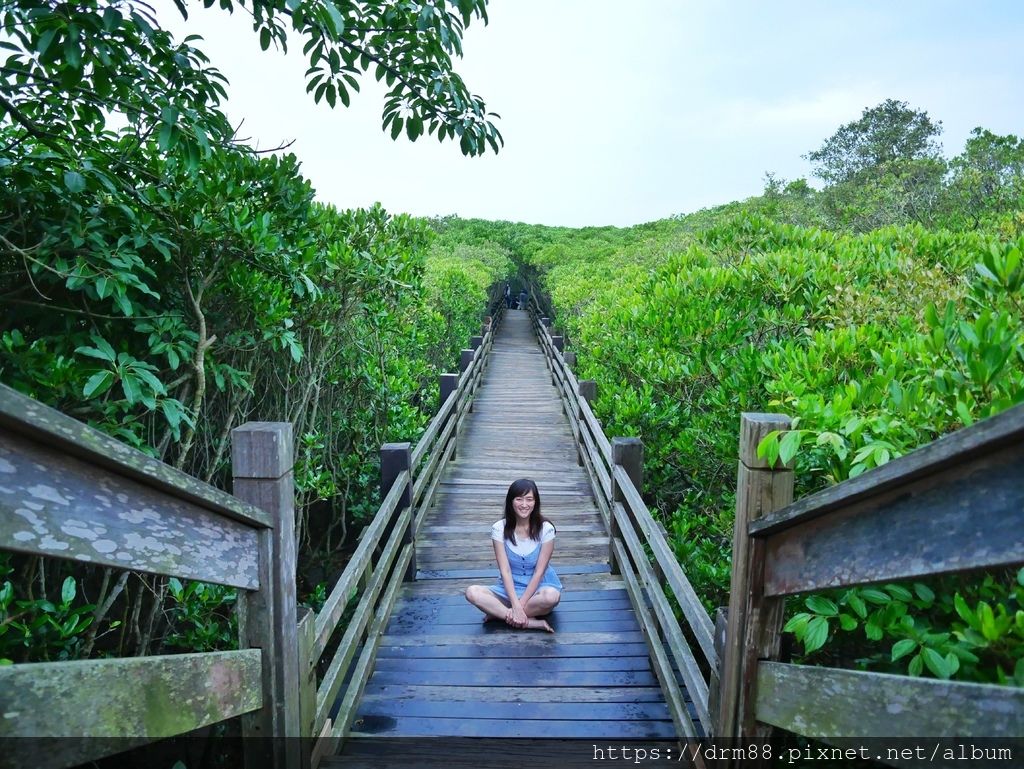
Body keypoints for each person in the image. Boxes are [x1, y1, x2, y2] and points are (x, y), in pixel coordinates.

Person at [465, 478, 562, 632]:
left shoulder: (546, 529)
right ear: (511, 502)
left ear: (535, 502)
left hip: (538, 588)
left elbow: (539, 572)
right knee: (472, 592)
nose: (524, 504)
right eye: (519, 499)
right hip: (509, 588)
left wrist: (519, 605)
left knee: (551, 597)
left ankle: (499, 614)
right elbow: (505, 571)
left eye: (529, 499)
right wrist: (515, 605)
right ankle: (530, 622)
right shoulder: (499, 528)